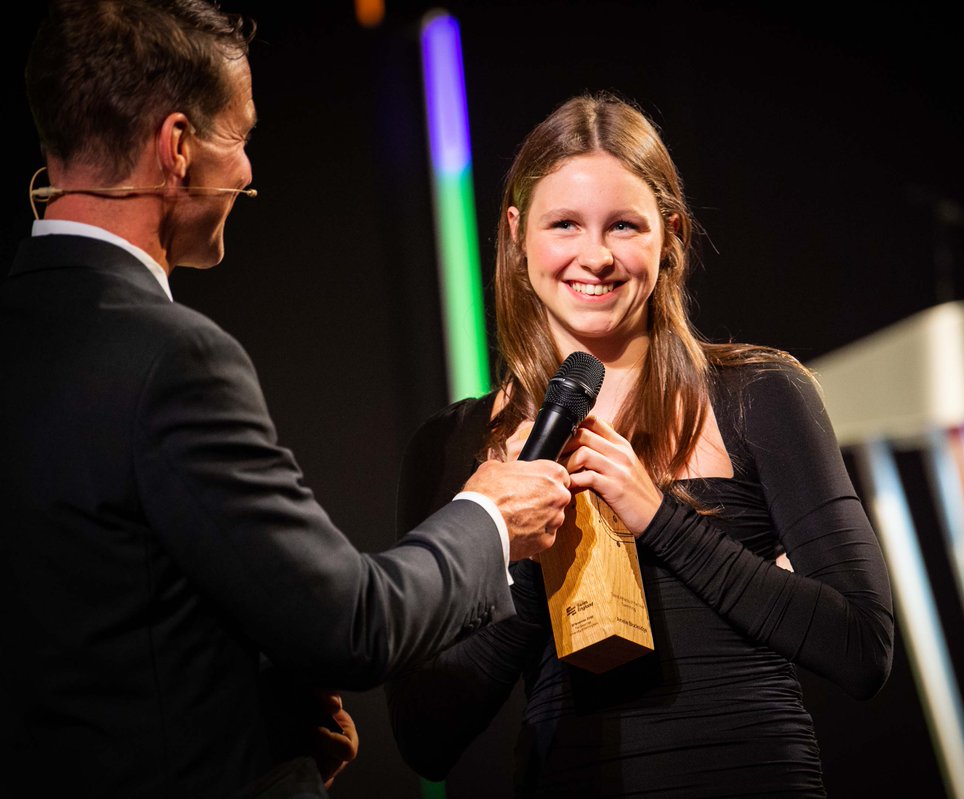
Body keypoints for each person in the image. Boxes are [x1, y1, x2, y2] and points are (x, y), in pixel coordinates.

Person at [0, 2, 571, 797]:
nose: (247, 172)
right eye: (240, 138)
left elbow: (96, 642)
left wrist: (256, 725)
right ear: (177, 147)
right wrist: (489, 517)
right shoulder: (173, 359)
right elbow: (353, 625)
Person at [385, 91, 895, 797]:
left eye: (624, 225)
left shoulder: (759, 394)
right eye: (564, 224)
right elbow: (426, 738)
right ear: (516, 235)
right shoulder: (454, 445)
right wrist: (521, 537)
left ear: (671, 234)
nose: (594, 256)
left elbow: (862, 647)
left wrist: (659, 517)